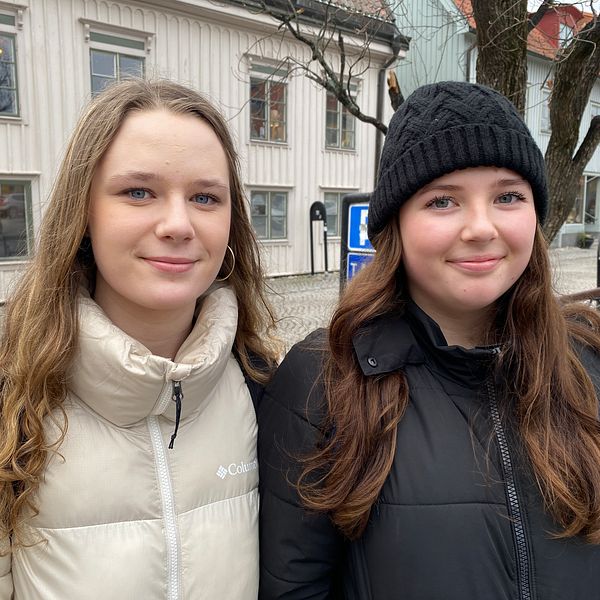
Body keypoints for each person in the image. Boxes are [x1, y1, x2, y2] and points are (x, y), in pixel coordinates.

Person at [258, 81, 600, 600]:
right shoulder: (324, 380)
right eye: (443, 201)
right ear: (396, 224)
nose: (481, 227)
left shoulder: (589, 361)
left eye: (508, 196)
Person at [0, 78, 278, 599]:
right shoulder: (13, 395)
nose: (178, 223)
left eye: (204, 197)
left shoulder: (264, 387)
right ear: (83, 214)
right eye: (138, 192)